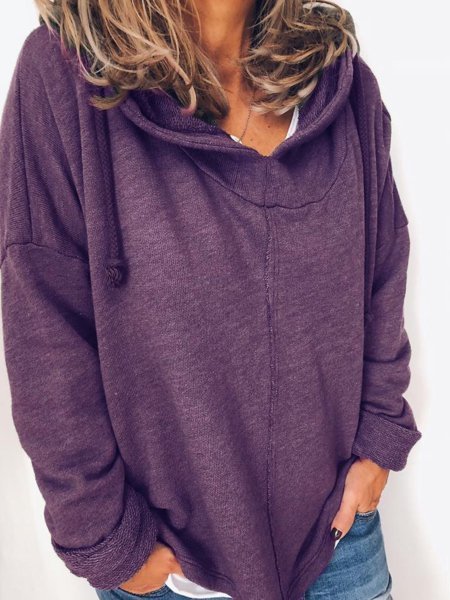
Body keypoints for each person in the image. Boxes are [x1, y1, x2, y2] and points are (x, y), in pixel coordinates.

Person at [0, 1, 422, 599]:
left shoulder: (338, 82)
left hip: (339, 538)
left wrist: (379, 442)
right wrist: (105, 539)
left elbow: (382, 267)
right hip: (172, 566)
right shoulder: (67, 74)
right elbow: (44, 329)